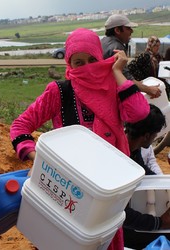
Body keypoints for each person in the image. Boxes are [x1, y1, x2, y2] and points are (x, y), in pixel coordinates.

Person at [10, 27, 150, 250]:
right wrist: (38, 158)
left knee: (101, 237)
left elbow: (139, 113)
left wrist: (117, 72)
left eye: (92, 59)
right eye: (78, 62)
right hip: (68, 188)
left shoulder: (113, 88)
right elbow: (20, 126)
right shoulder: (59, 92)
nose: (86, 67)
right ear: (69, 63)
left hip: (105, 186)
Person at [124, 103, 170, 249]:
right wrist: (159, 222)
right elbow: (121, 214)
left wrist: (166, 187)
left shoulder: (132, 148)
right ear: (147, 136)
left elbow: (145, 174)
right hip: (119, 231)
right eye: (156, 135)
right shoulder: (120, 158)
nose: (155, 138)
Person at [101, 14, 161, 99]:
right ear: (117, 30)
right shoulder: (116, 48)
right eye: (128, 28)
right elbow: (126, 78)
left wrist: (141, 85)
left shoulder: (104, 42)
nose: (131, 31)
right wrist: (149, 90)